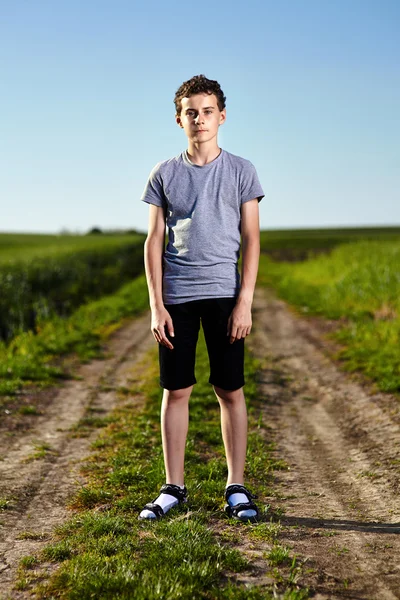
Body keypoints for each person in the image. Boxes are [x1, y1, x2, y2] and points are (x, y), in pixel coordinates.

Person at [139, 74, 264, 522]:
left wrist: (245, 301)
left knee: (229, 388)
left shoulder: (242, 171)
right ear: (180, 119)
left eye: (207, 111)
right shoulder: (164, 173)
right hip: (177, 298)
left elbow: (251, 238)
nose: (200, 119)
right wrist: (156, 305)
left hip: (225, 296)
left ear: (221, 116)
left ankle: (236, 486)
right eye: (191, 112)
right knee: (177, 390)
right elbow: (154, 241)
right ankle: (174, 487)